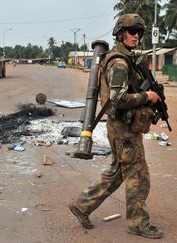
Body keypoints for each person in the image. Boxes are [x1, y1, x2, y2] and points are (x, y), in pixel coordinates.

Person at [68, 14, 163, 239]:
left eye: (139, 32)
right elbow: (118, 99)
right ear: (120, 33)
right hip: (124, 129)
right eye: (131, 31)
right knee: (138, 178)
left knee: (118, 172)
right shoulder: (119, 62)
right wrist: (146, 96)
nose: (136, 36)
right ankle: (137, 224)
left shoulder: (125, 58)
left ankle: (82, 205)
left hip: (123, 127)